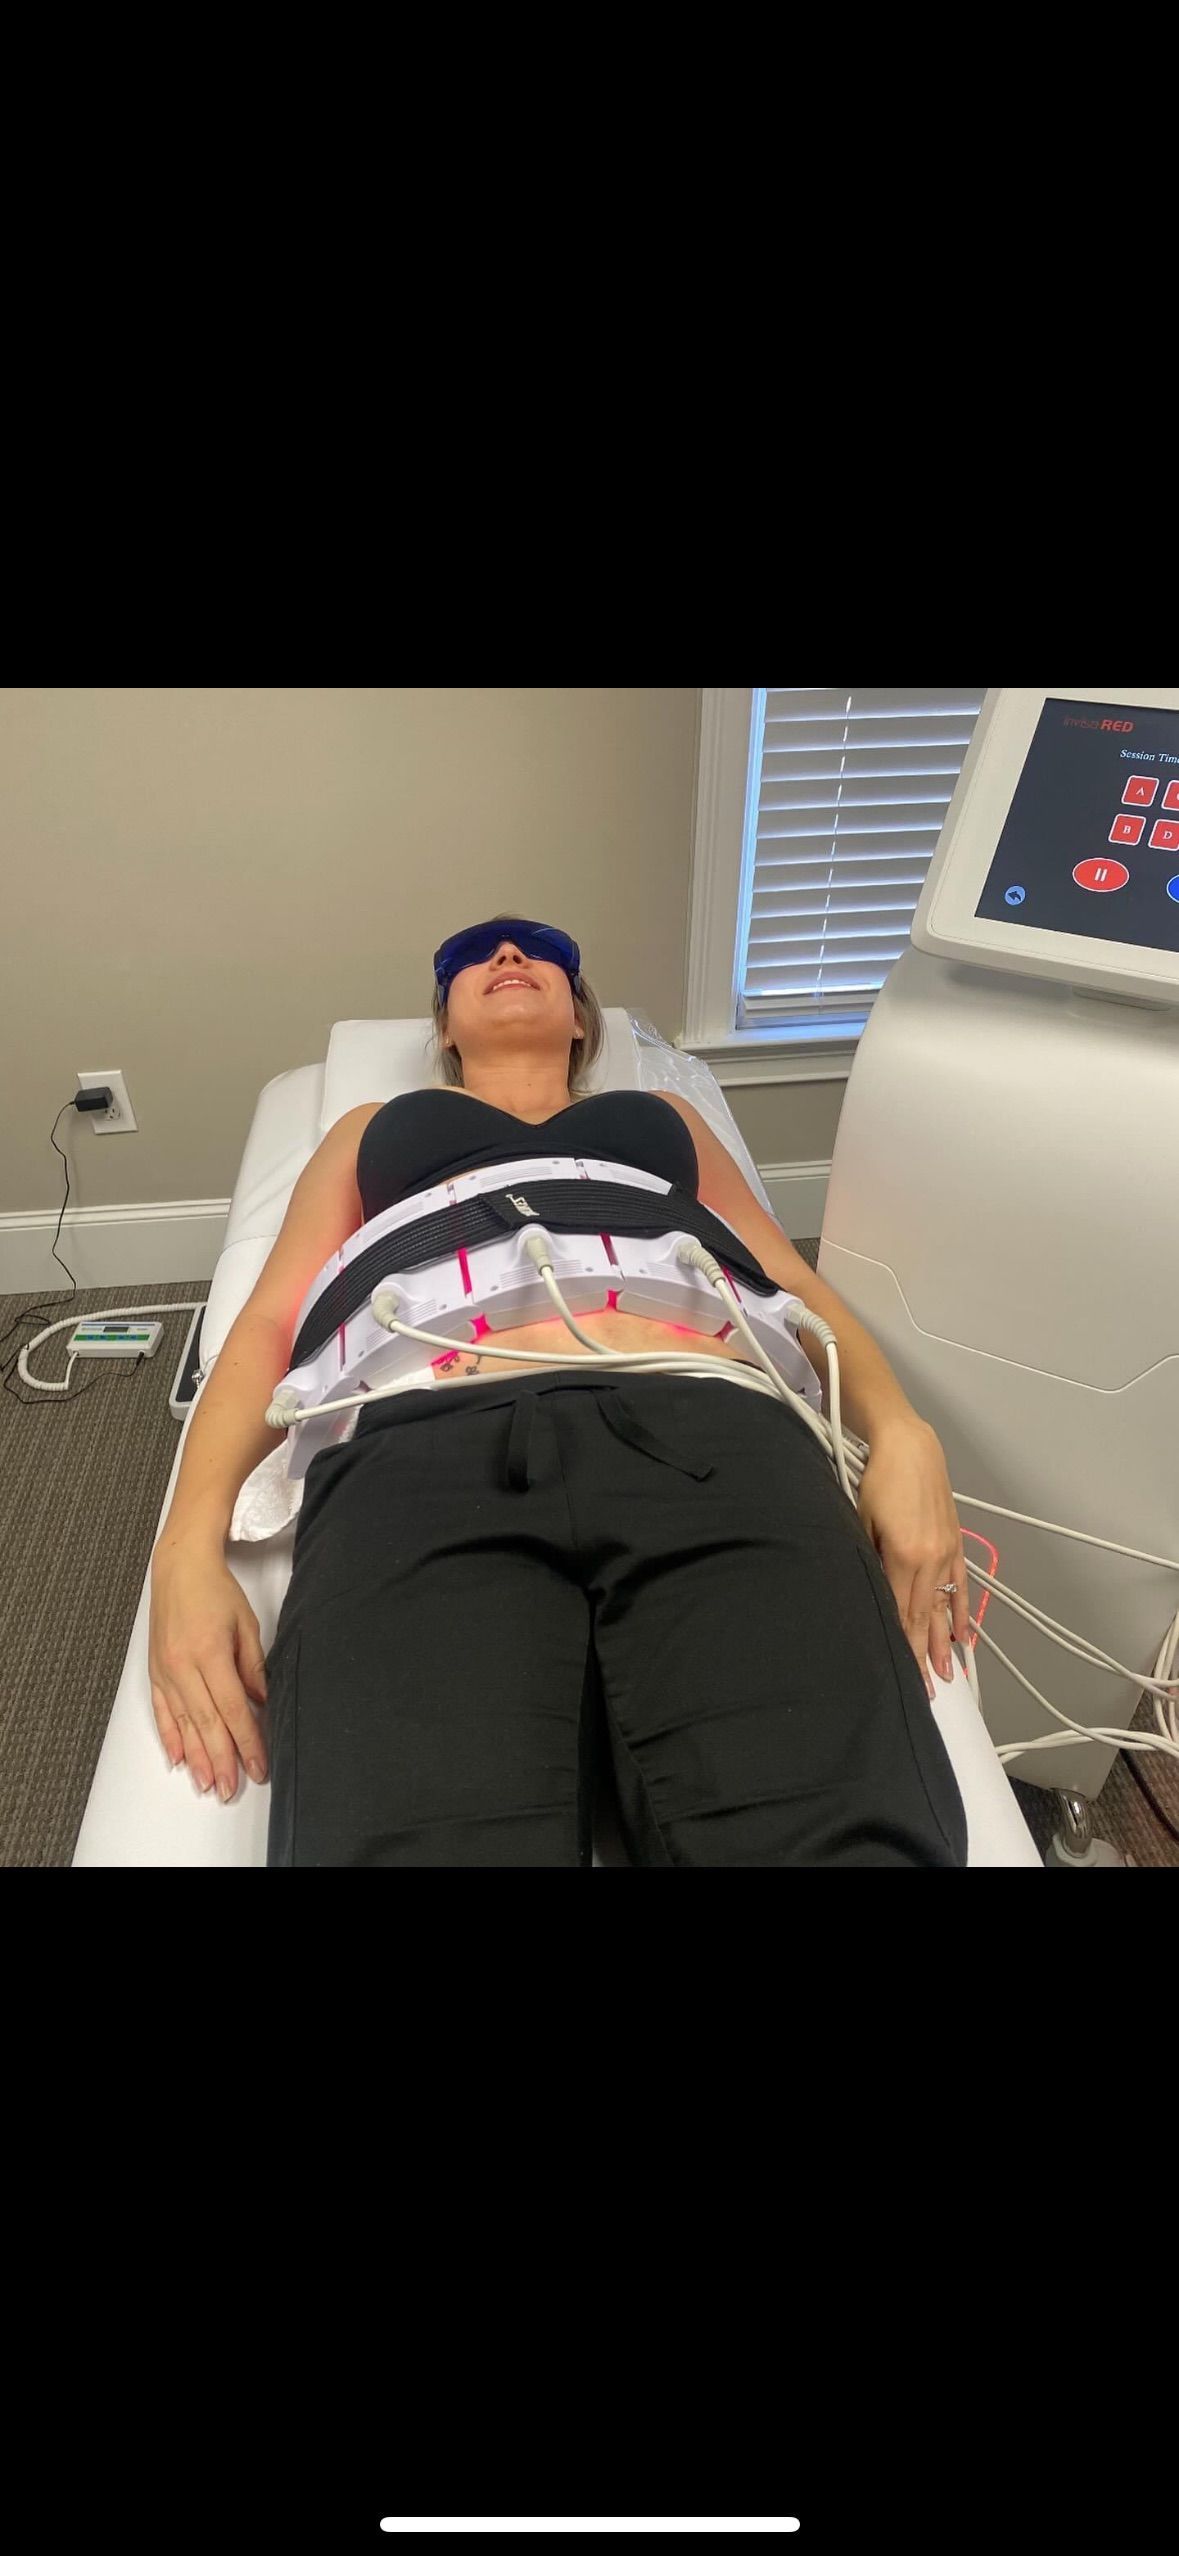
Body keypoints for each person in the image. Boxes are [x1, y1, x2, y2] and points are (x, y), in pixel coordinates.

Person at [148, 914, 970, 1867]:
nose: (506, 958)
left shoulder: (665, 1123)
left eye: (538, 953)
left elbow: (789, 1280)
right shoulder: (371, 1131)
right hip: (420, 1439)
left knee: (840, 1842)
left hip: (712, 1423)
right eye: (471, 959)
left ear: (581, 1022)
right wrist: (183, 1547)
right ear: (445, 1030)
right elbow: (266, 1325)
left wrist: (903, 1430)